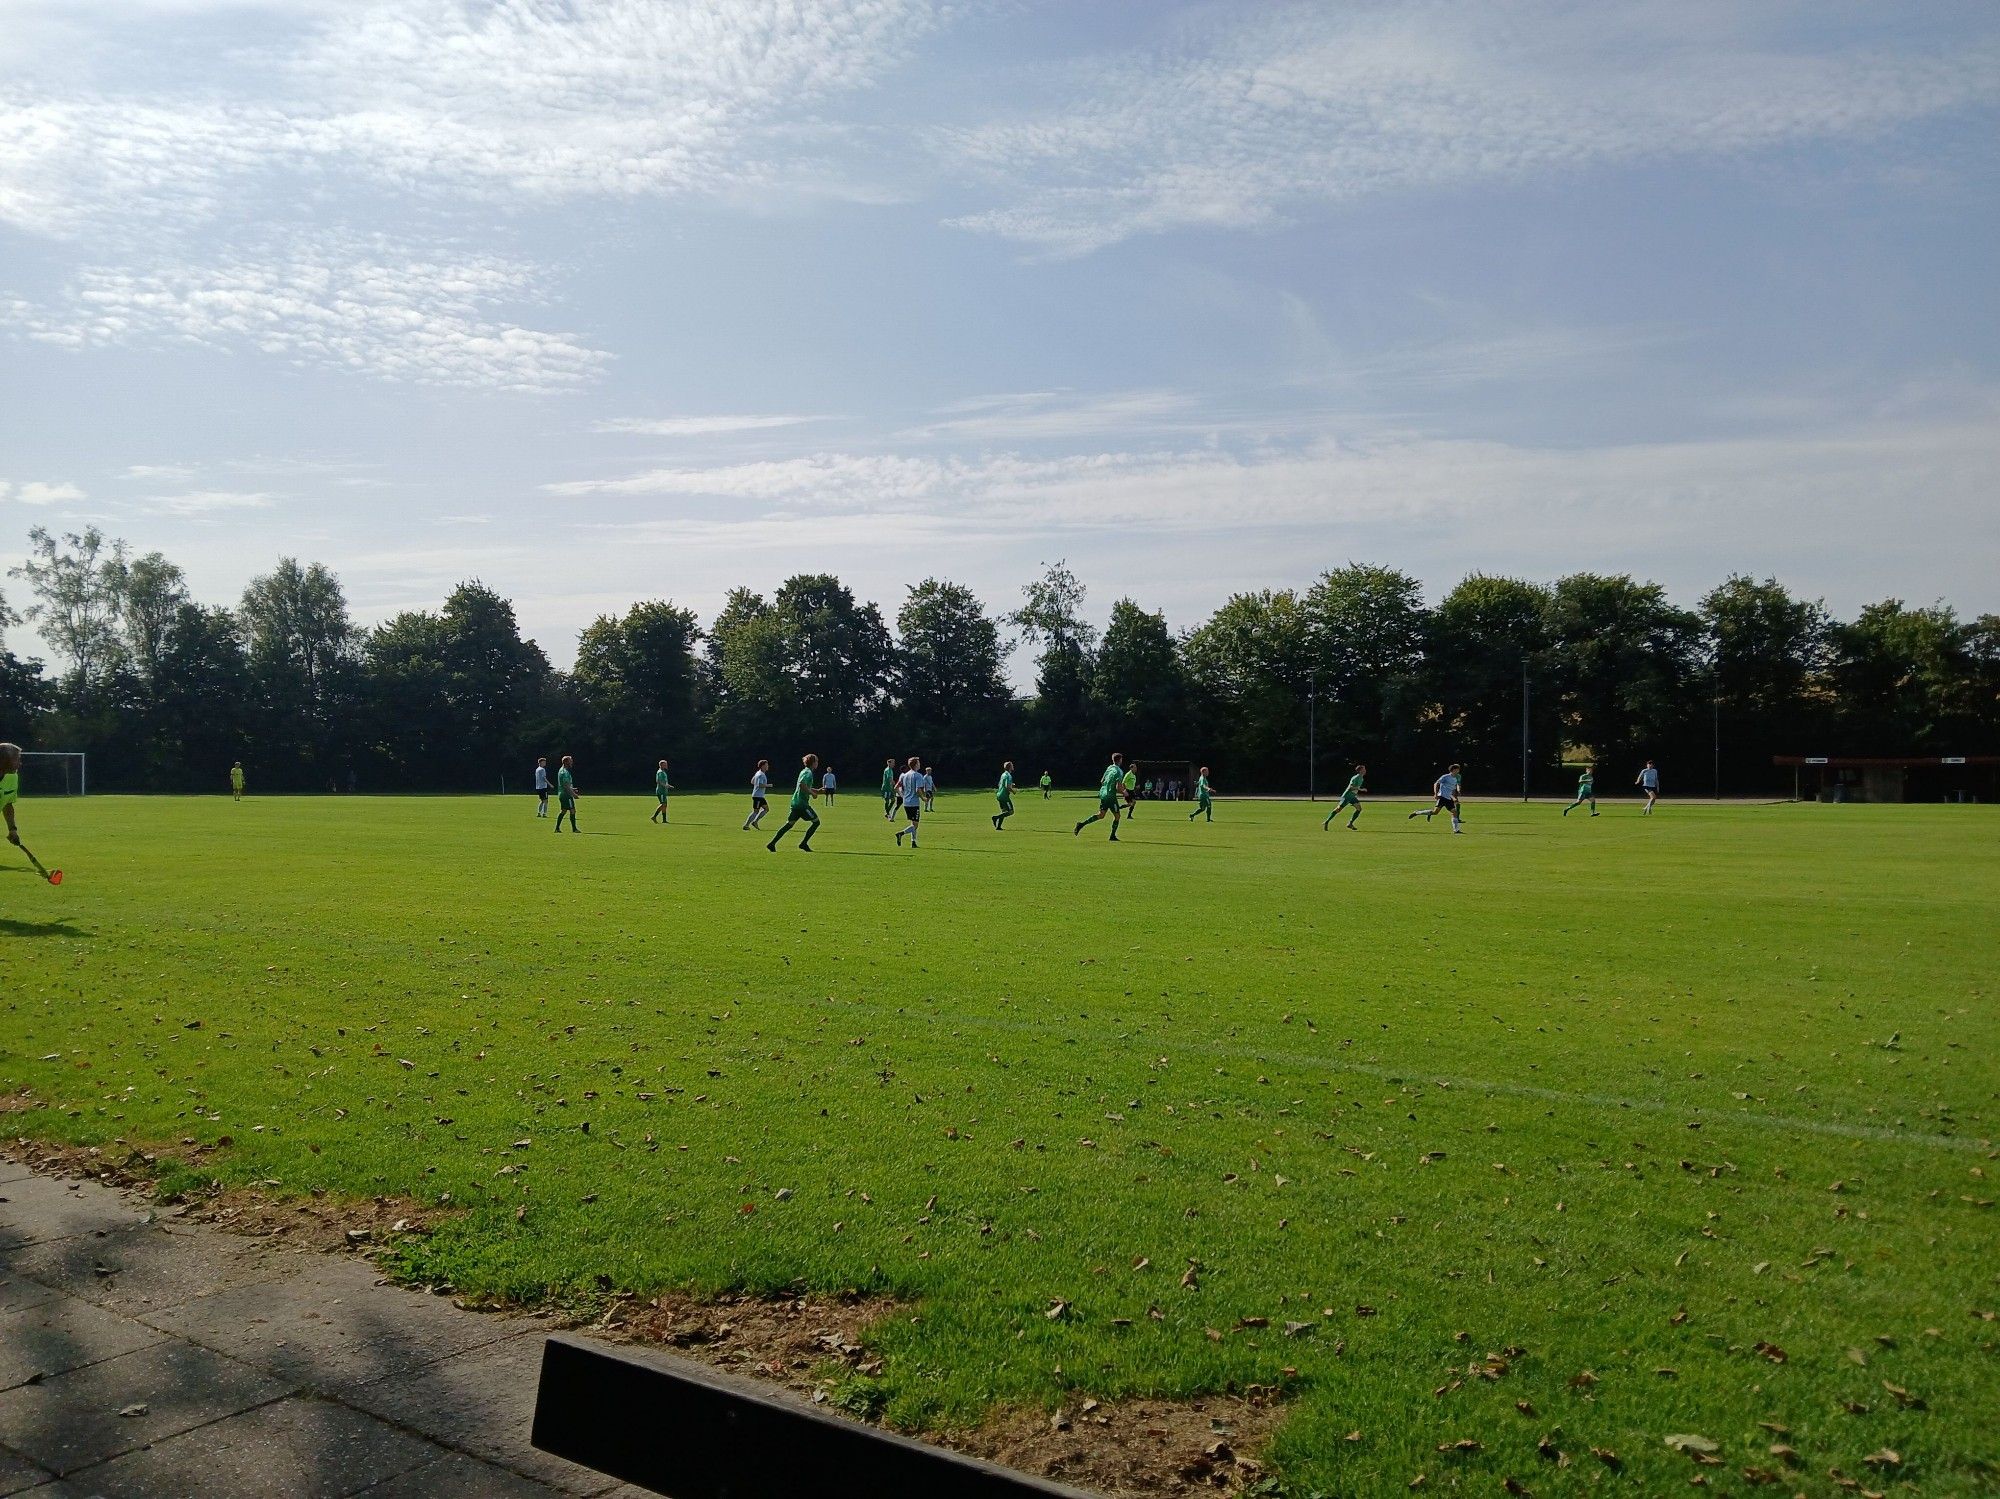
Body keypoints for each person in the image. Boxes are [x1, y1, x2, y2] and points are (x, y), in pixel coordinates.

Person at [766, 753, 821, 852]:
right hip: (802, 804)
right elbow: (801, 785)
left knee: (789, 824)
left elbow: (804, 786)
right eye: (816, 761)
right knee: (816, 822)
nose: (817, 763)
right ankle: (803, 844)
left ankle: (772, 843)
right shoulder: (808, 773)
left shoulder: (804, 771)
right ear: (812, 763)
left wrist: (816, 790)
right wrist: (812, 793)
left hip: (795, 802)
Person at [1075, 752, 1126, 841]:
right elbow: (1118, 788)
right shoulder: (1119, 771)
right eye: (1121, 759)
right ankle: (1112, 836)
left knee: (1101, 815)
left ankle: (1081, 824)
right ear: (1120, 760)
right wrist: (1124, 793)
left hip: (1103, 794)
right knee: (1117, 816)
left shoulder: (1109, 768)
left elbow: (1102, 781)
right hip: (1110, 796)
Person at [1408, 763, 1463, 833]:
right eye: (1457, 770)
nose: (1458, 771)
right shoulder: (1445, 777)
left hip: (1449, 798)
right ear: (1453, 770)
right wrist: (1436, 793)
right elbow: (1436, 783)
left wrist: (1454, 796)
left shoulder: (1455, 779)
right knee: (1435, 812)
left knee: (1454, 812)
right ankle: (1417, 812)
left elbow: (1451, 789)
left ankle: (1456, 830)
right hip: (1442, 797)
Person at [1323, 764, 1365, 830]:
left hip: (1352, 796)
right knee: (1338, 809)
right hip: (1347, 796)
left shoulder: (1361, 778)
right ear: (1360, 771)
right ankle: (1327, 821)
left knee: (1359, 809)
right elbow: (1351, 787)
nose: (1365, 770)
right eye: (1363, 769)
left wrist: (1356, 792)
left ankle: (1350, 823)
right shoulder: (1355, 777)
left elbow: (1355, 788)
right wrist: (1361, 789)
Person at [895, 756, 924, 847]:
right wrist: (923, 798)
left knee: (912, 823)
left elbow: (896, 787)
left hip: (906, 803)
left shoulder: (904, 775)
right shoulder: (918, 775)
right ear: (915, 765)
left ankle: (913, 842)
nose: (920, 764)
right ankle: (901, 833)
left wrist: (903, 796)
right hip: (914, 803)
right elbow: (918, 790)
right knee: (915, 825)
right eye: (918, 763)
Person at [1, 742, 22, 850]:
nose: (20, 763)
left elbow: (7, 804)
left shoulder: (12, 778)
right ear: (5, 760)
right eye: (16, 759)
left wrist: (12, 829)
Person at [743, 759, 772, 831]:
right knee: (756, 811)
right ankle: (747, 825)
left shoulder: (758, 773)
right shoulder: (761, 774)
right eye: (766, 765)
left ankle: (755, 822)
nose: (767, 766)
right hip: (758, 796)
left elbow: (752, 781)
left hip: (758, 795)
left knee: (766, 809)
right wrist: (768, 785)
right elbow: (759, 785)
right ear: (762, 766)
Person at [554, 755, 580, 833]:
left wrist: (572, 789)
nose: (572, 762)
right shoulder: (565, 772)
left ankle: (557, 828)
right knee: (572, 810)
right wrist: (574, 794)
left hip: (562, 793)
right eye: (570, 761)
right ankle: (574, 829)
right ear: (566, 762)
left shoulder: (561, 770)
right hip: (566, 795)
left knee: (564, 811)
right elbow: (566, 786)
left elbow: (565, 785)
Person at [993, 760, 1017, 830]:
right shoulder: (1008, 775)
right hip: (1004, 796)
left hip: (999, 795)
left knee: (1004, 811)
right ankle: (995, 818)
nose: (1013, 766)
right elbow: (1007, 787)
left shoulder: (1003, 774)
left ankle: (998, 827)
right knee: (1011, 811)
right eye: (1012, 765)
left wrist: (1011, 784)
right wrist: (1013, 791)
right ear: (1010, 767)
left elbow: (1000, 784)